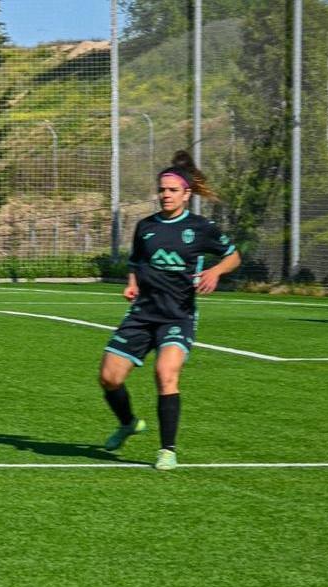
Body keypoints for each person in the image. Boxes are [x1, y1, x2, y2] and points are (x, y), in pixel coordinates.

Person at [98, 151, 240, 471]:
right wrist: (131, 283)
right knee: (109, 378)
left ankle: (167, 449)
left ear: (187, 194)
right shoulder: (145, 227)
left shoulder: (201, 227)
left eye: (172, 190)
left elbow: (234, 256)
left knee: (165, 374)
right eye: (162, 189)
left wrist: (216, 272)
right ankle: (128, 423)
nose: (165, 195)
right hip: (142, 313)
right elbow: (136, 262)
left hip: (178, 315)